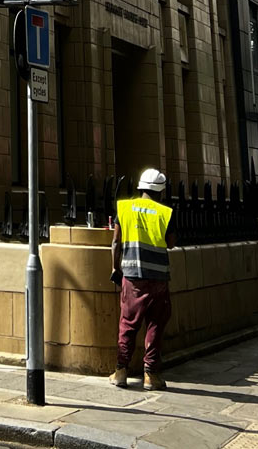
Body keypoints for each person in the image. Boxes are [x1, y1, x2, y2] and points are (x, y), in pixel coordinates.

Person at [108, 167, 177, 391]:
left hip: (132, 277)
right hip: (157, 278)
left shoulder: (125, 208)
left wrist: (114, 268)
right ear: (161, 191)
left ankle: (120, 371)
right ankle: (151, 375)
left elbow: (116, 242)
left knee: (128, 324)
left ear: (140, 187)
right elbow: (171, 243)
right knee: (156, 324)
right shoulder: (165, 213)